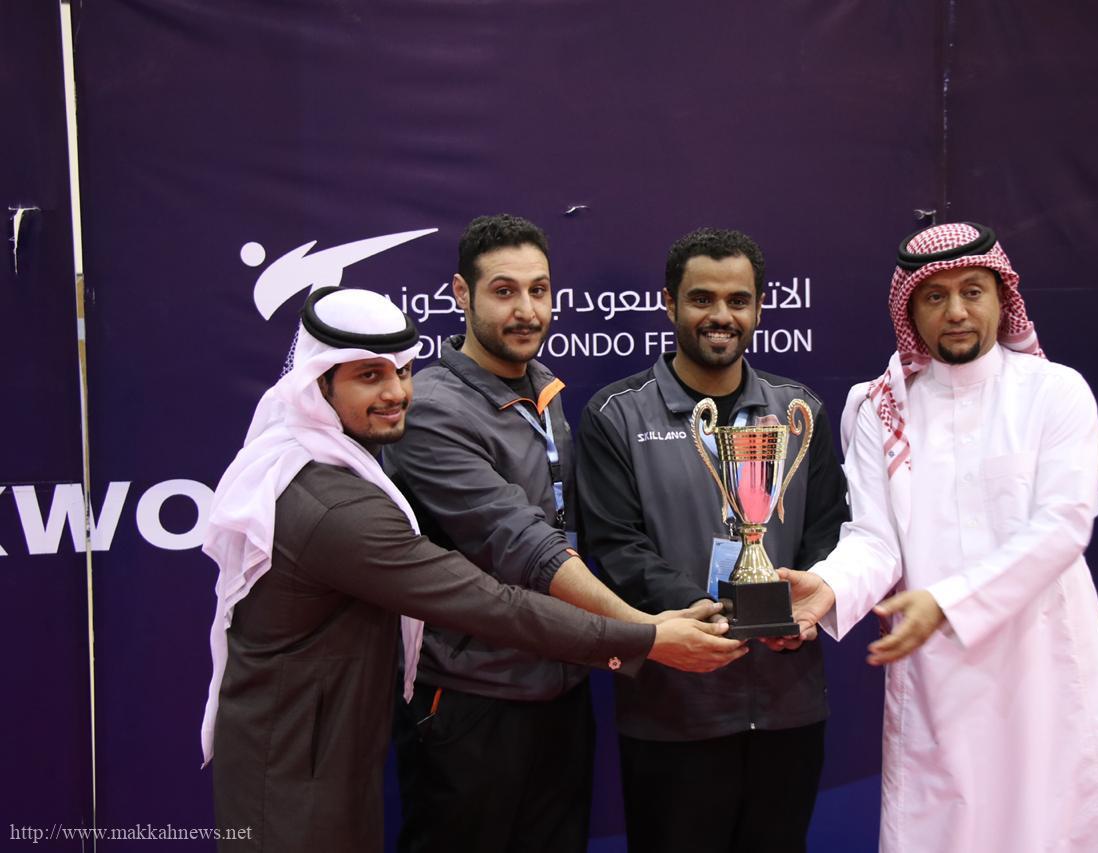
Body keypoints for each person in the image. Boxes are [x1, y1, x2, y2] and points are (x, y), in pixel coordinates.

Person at [200, 286, 742, 853]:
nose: (396, 393)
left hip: (319, 750)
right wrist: (644, 638)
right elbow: (488, 602)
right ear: (318, 384)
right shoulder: (333, 504)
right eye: (369, 377)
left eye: (402, 371)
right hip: (294, 770)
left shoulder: (325, 463)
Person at [782, 222, 1098, 852]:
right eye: (935, 296)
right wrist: (828, 589)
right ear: (909, 311)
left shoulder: (1055, 392)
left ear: (1002, 298)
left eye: (972, 291)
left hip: (1048, 667)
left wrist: (947, 601)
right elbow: (875, 539)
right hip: (938, 678)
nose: (955, 311)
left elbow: (1063, 524)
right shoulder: (879, 409)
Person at [385, 214, 716, 853]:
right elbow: (525, 545)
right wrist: (644, 634)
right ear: (461, 294)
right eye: (504, 291)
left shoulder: (543, 389)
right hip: (472, 700)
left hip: (561, 689)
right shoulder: (430, 409)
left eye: (539, 290)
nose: (526, 310)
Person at [575, 228, 848, 853]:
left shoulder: (799, 411)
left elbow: (829, 534)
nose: (721, 315)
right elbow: (617, 549)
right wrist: (719, 613)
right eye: (702, 299)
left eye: (737, 300)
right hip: (674, 709)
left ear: (759, 308)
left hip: (788, 707)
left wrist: (797, 608)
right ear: (669, 303)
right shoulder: (617, 414)